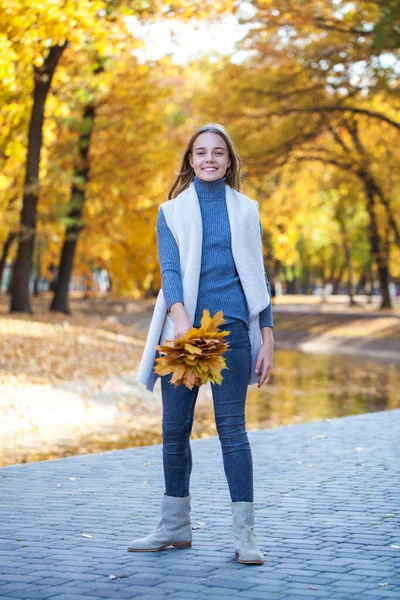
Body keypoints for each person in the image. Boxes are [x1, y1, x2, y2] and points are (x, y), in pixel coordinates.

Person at [128, 123, 274, 565]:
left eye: (218, 153)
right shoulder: (170, 212)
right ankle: (174, 527)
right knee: (174, 431)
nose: (209, 158)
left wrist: (267, 334)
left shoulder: (247, 210)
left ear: (229, 162)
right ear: (190, 160)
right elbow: (170, 272)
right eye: (201, 152)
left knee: (233, 432)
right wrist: (182, 325)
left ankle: (244, 536)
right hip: (182, 332)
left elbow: (257, 274)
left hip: (232, 332)